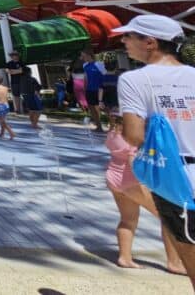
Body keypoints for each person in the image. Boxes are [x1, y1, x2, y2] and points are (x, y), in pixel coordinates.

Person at [118, 14, 195, 284]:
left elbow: (134, 135)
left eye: (129, 35)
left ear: (150, 42)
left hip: (175, 178)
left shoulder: (134, 80)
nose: (123, 40)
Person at [104, 107, 186, 273]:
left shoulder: (113, 133)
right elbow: (134, 160)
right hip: (131, 182)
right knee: (168, 218)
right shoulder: (133, 136)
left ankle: (125, 258)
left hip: (113, 177)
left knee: (128, 219)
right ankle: (174, 262)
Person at [82, 49, 107, 132]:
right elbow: (85, 79)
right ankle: (98, 126)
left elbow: (105, 75)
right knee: (92, 109)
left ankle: (114, 124)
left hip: (99, 90)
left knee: (104, 108)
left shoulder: (99, 64)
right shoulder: (85, 65)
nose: (82, 58)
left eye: (84, 56)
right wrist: (84, 89)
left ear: (89, 55)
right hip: (89, 90)